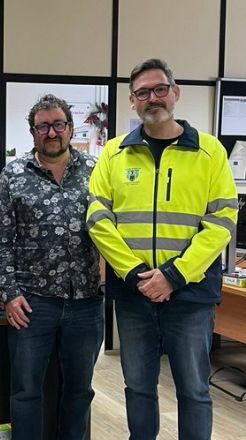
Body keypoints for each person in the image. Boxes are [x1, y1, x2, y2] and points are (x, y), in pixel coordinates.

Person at [87, 58, 238, 440]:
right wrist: (135, 273)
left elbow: (222, 220)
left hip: (190, 294)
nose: (152, 98)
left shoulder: (209, 152)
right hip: (134, 293)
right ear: (132, 101)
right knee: (138, 387)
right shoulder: (113, 153)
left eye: (159, 89)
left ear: (175, 92)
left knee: (194, 390)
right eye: (142, 92)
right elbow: (97, 217)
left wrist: (173, 275)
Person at [0, 94, 104, 440]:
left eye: (58, 124)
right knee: (26, 391)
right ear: (33, 132)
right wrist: (10, 294)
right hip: (32, 303)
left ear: (70, 127)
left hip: (86, 301)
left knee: (79, 391)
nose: (51, 132)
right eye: (43, 126)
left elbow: (112, 228)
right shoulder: (14, 174)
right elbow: (1, 240)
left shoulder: (96, 171)